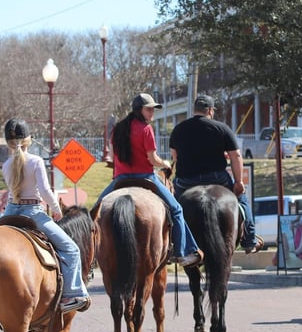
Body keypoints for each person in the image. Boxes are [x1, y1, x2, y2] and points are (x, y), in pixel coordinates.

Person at [94, 92, 204, 268]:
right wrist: (165, 163)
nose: (152, 112)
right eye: (149, 109)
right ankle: (183, 253)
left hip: (120, 178)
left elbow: (114, 156)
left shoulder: (118, 129)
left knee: (95, 211)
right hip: (145, 177)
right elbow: (152, 160)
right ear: (139, 110)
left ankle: (92, 255)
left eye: (153, 109)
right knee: (176, 210)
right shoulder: (146, 129)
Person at [1, 118, 91, 313]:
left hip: (9, 212)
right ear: (28, 140)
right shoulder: (35, 161)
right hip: (32, 213)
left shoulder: (6, 165)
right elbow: (44, 190)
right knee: (71, 249)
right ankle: (71, 294)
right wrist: (56, 209)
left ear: (7, 142)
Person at [169, 94, 263, 254]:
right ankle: (249, 240)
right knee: (242, 199)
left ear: (194, 110)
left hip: (186, 181)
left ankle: (172, 243)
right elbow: (236, 156)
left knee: (173, 208)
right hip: (217, 179)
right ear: (210, 111)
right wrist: (239, 182)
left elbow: (175, 156)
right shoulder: (221, 128)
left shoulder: (179, 129)